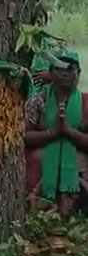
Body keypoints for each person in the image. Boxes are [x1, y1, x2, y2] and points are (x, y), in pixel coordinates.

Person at [26, 50, 88, 213]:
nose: (64, 74)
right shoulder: (39, 99)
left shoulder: (86, 102)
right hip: (43, 159)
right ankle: (41, 202)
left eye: (69, 69)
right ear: (51, 74)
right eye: (59, 69)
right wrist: (52, 133)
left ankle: (72, 207)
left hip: (77, 162)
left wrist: (70, 132)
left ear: (78, 73)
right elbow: (25, 135)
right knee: (37, 157)